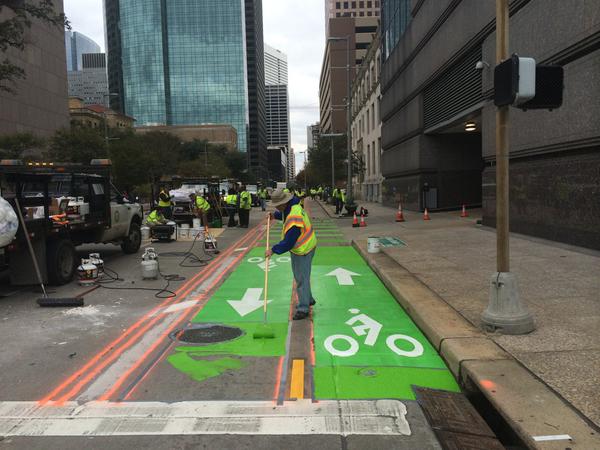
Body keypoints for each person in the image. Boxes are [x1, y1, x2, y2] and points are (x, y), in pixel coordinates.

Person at [266, 189, 317, 320]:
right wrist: (275, 215)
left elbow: (289, 241)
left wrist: (273, 250)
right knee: (303, 276)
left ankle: (304, 308)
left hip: (303, 249)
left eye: (277, 205)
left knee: (301, 278)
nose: (276, 207)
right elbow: (284, 214)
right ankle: (308, 299)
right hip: (306, 245)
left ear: (284, 203)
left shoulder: (293, 217)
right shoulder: (293, 206)